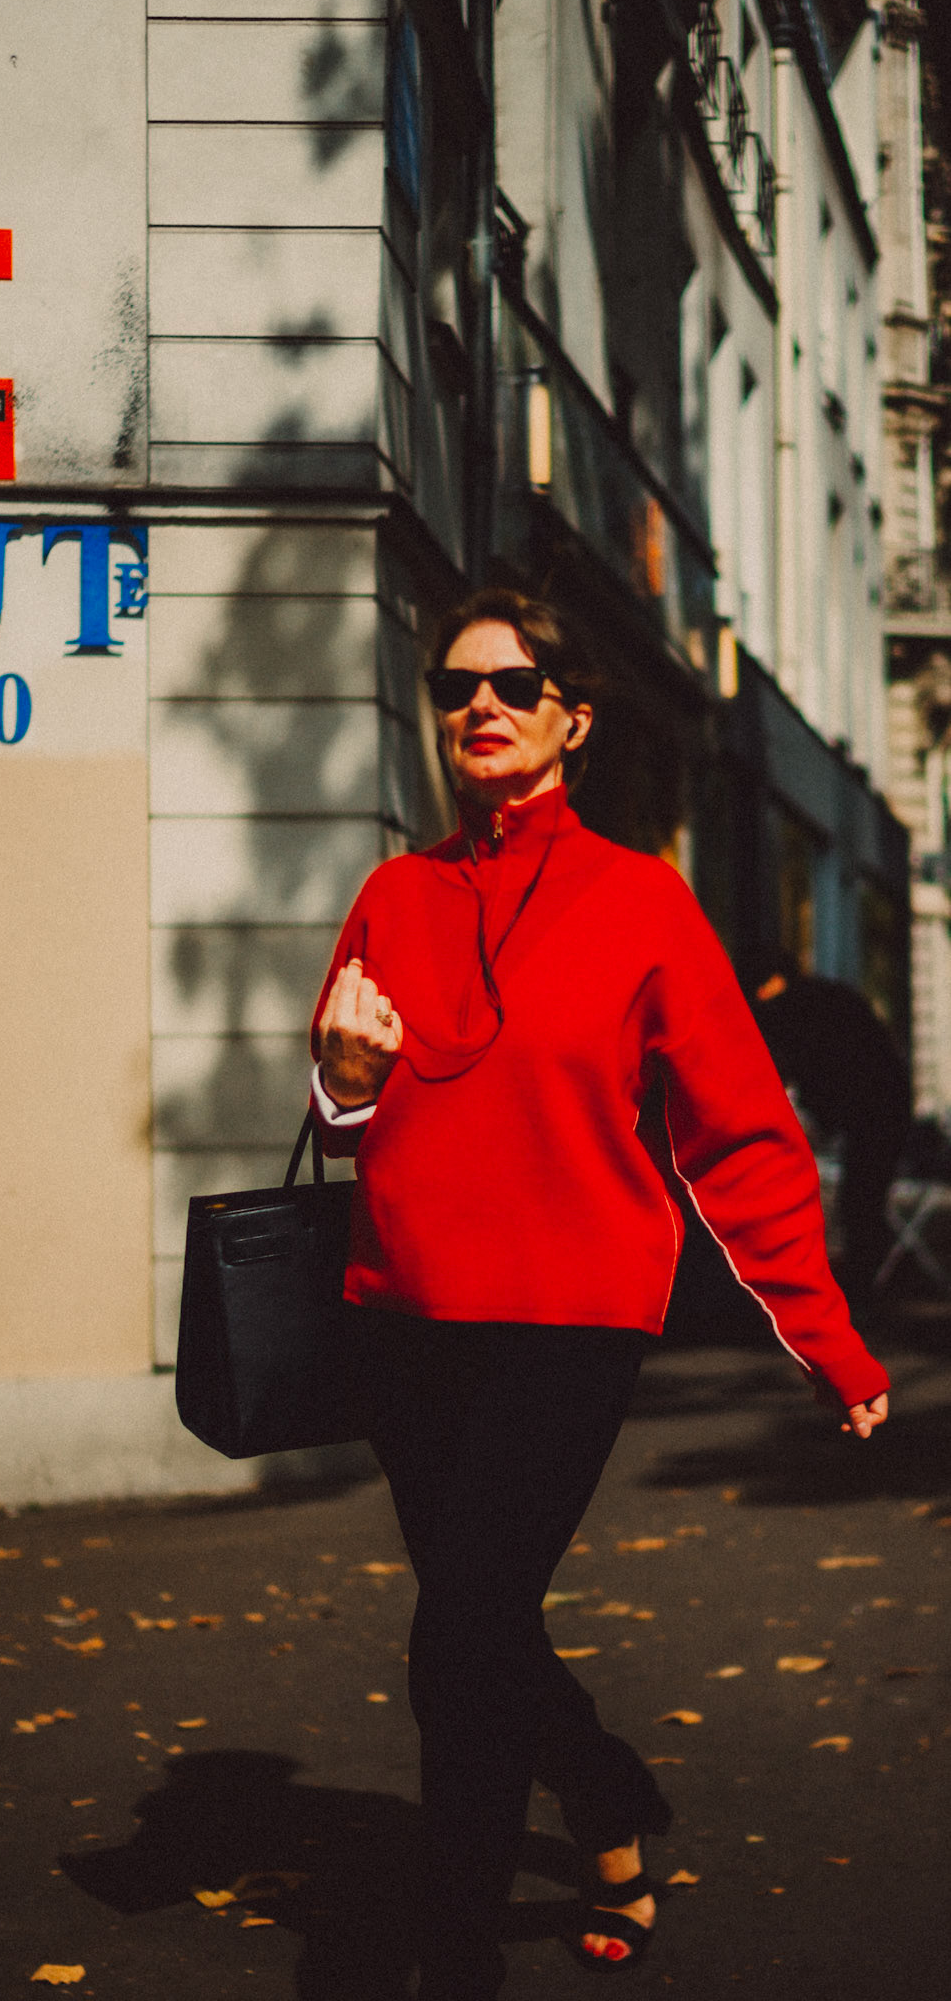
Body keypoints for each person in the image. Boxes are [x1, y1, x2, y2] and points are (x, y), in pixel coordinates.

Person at [308, 589, 889, 2000]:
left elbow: (741, 1136)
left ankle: (451, 1954)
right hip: (404, 1323)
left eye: (513, 684)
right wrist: (342, 1073)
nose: (479, 708)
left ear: (572, 715)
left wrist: (825, 1337)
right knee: (474, 1623)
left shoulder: (641, 900)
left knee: (458, 1633)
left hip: (567, 1329)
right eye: (455, 687)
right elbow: (338, 1118)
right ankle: (610, 1802)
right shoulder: (393, 895)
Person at [747, 953, 913, 1301]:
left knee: (860, 1199)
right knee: (862, 1199)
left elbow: (806, 1066)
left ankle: (866, 1286)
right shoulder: (821, 999)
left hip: (876, 1106)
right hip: (880, 1103)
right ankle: (880, 1275)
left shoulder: (797, 1009)